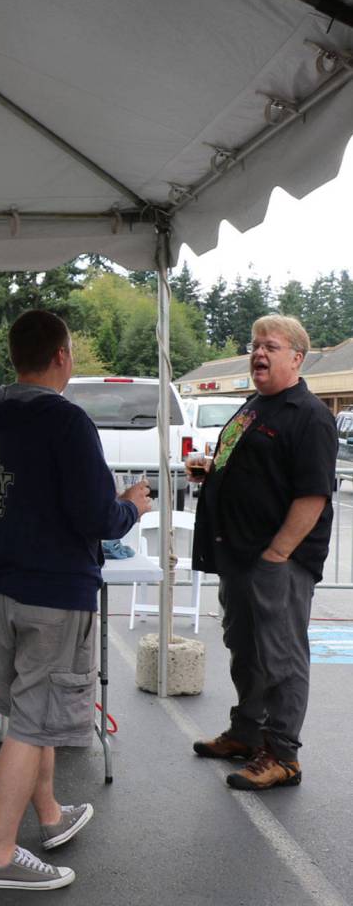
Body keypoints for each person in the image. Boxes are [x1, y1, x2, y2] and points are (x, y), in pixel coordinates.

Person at [0, 310, 151, 891]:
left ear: (12, 358)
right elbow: (98, 516)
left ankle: (49, 814)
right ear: (63, 356)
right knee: (33, 724)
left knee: (21, 711)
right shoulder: (67, 422)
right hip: (54, 592)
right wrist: (133, 505)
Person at [189, 315, 336, 791]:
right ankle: (247, 733)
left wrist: (278, 554)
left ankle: (282, 755)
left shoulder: (309, 415)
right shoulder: (254, 406)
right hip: (236, 555)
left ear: (297, 357)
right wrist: (212, 473)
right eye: (255, 345)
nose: (258, 353)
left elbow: (312, 497)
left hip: (278, 562)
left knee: (281, 658)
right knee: (244, 649)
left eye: (270, 346)